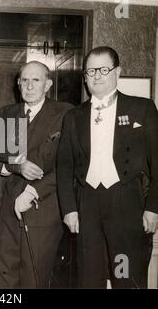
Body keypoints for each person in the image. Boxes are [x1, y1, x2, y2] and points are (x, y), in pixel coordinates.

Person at [57, 46, 158, 288]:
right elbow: (64, 166)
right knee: (88, 279)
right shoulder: (74, 116)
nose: (97, 76)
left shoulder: (142, 109)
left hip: (127, 204)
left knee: (127, 277)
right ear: (85, 77)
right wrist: (70, 209)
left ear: (117, 72)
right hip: (87, 205)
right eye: (90, 71)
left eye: (103, 69)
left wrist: (153, 208)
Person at [0, 61, 73, 288]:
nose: (29, 86)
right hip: (8, 206)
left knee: (34, 275)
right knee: (4, 272)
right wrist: (17, 164)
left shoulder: (65, 113)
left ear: (48, 84)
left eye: (36, 80)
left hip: (45, 208)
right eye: (25, 80)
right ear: (18, 83)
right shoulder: (7, 113)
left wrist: (33, 190)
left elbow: (66, 166)